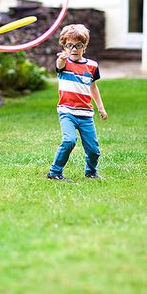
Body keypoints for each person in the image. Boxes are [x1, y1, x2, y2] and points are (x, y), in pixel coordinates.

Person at [47, 24, 107, 181]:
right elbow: (58, 66)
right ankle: (54, 172)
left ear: (84, 47)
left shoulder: (92, 66)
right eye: (70, 45)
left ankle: (91, 172)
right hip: (67, 112)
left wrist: (101, 108)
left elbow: (93, 88)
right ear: (65, 47)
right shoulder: (64, 63)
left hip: (86, 114)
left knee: (94, 150)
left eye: (78, 45)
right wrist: (61, 59)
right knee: (69, 140)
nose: (74, 49)